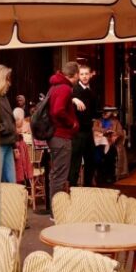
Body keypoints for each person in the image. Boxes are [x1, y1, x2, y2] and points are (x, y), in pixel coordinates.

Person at [48, 61, 80, 201]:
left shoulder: (54, 87)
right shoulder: (65, 88)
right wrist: (71, 123)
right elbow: (58, 110)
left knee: (56, 175)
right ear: (76, 74)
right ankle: (57, 211)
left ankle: (54, 209)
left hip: (55, 136)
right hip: (61, 136)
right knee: (60, 176)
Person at [69, 64, 98, 187]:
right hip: (77, 132)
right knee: (75, 163)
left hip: (88, 131)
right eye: (82, 74)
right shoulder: (74, 90)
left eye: (86, 74)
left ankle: (87, 191)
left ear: (91, 75)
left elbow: (94, 110)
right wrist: (73, 99)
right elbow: (65, 101)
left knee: (90, 161)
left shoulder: (92, 90)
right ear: (78, 75)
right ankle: (72, 191)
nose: (84, 76)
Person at [95, 106, 126, 184]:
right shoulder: (98, 121)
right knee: (97, 154)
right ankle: (100, 176)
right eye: (104, 112)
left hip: (112, 144)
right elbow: (94, 129)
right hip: (99, 144)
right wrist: (105, 131)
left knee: (110, 154)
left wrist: (114, 135)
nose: (105, 113)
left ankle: (110, 176)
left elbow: (120, 133)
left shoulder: (116, 122)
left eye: (107, 112)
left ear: (111, 113)